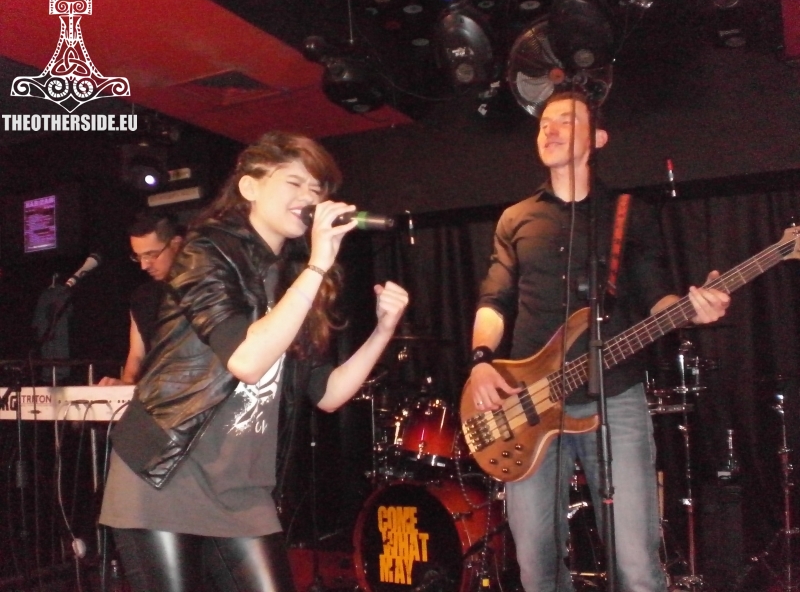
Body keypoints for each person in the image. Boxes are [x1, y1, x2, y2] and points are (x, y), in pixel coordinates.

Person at [99, 131, 409, 592]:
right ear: (250, 186)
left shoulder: (294, 280)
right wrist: (318, 266)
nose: (309, 197)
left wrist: (383, 331)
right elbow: (246, 360)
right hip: (166, 472)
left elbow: (328, 394)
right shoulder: (206, 252)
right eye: (294, 183)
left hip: (241, 490)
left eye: (316, 188)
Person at [467, 92, 730, 592]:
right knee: (537, 568)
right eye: (544, 123)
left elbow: (655, 296)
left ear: (599, 139)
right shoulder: (515, 218)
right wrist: (482, 361)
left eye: (566, 121)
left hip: (615, 397)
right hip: (529, 404)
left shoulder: (629, 213)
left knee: (635, 565)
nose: (549, 130)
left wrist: (691, 310)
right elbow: (493, 301)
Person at [98, 212, 183, 386]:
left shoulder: (204, 288)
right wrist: (123, 386)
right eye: (139, 256)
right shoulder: (143, 296)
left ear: (176, 244)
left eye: (151, 254)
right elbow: (137, 355)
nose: (144, 265)